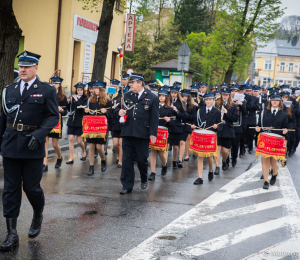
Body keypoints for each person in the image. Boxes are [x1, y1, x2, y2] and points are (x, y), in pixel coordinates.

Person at [0, 51, 59, 251]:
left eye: (27, 66)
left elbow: (52, 116)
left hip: (32, 145)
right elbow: (3, 118)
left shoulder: (46, 90)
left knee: (31, 188)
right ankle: (12, 234)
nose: (22, 69)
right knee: (10, 189)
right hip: (10, 144)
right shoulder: (9, 89)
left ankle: (38, 213)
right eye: (21, 66)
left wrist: (40, 135)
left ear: (35, 68)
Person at [115, 73, 159, 194]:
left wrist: (153, 133)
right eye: (130, 83)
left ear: (140, 83)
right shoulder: (126, 95)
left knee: (141, 159)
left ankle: (144, 177)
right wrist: (119, 112)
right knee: (127, 159)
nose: (130, 85)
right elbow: (116, 108)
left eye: (132, 83)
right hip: (128, 132)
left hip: (142, 133)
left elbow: (154, 118)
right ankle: (127, 185)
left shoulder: (152, 97)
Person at [256, 93, 288, 189]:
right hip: (265, 139)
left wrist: (285, 130)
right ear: (270, 101)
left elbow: (285, 128)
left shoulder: (284, 114)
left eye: (277, 100)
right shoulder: (263, 112)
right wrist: (258, 128)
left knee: (274, 163)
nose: (275, 102)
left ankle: (274, 174)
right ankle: (266, 181)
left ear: (280, 102)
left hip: (276, 141)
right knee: (265, 162)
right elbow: (259, 125)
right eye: (273, 100)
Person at [192, 92, 222, 184]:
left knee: (209, 156)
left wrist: (217, 127)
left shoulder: (217, 112)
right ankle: (200, 178)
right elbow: (196, 123)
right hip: (201, 135)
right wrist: (194, 126)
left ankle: (210, 170)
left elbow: (220, 126)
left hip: (211, 136)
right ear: (204, 101)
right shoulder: (200, 110)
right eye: (207, 100)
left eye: (210, 100)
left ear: (213, 101)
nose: (208, 101)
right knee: (200, 156)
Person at [84, 81, 112, 176]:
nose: (96, 90)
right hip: (92, 125)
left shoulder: (108, 101)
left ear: (102, 90)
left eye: (98, 88)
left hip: (101, 126)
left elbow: (111, 114)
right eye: (95, 88)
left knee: (99, 147)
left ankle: (103, 160)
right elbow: (88, 114)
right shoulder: (91, 100)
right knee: (91, 146)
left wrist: (106, 112)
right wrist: (86, 111)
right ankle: (91, 167)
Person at [43, 76, 68, 171]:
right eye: (53, 83)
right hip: (47, 120)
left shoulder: (63, 97)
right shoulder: (47, 94)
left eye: (56, 83)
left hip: (57, 122)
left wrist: (61, 110)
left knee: (54, 144)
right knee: (45, 143)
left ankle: (59, 157)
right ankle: (44, 164)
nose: (54, 85)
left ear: (59, 85)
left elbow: (66, 111)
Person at [148, 89, 173, 180]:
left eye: (163, 96)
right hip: (154, 130)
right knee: (153, 151)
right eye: (160, 95)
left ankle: (164, 164)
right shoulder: (154, 106)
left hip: (163, 130)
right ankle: (153, 172)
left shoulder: (169, 108)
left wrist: (169, 120)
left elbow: (173, 121)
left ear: (166, 97)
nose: (161, 97)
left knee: (161, 152)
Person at [215, 88, 239, 174]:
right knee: (217, 149)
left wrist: (226, 112)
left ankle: (224, 161)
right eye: (223, 95)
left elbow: (235, 118)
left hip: (227, 130)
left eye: (226, 95)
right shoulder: (217, 104)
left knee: (225, 151)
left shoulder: (233, 105)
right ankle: (217, 167)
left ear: (229, 96)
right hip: (218, 130)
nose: (224, 96)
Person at [66, 82, 88, 164]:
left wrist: (76, 100)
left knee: (79, 141)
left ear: (83, 90)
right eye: (78, 90)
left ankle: (84, 151)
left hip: (80, 120)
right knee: (71, 139)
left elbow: (82, 108)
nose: (79, 92)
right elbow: (69, 109)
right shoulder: (72, 98)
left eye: (81, 90)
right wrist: (68, 102)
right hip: (72, 120)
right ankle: (71, 158)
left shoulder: (86, 99)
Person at [168, 83, 185, 169]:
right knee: (166, 144)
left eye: (175, 93)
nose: (173, 94)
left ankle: (175, 160)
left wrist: (177, 111)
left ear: (177, 93)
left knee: (175, 146)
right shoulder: (168, 101)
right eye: (172, 93)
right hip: (168, 125)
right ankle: (165, 163)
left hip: (177, 125)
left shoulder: (181, 102)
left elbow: (184, 115)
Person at [178, 89, 196, 164]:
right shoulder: (179, 105)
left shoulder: (192, 106)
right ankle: (180, 156)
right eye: (183, 96)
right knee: (180, 141)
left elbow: (194, 116)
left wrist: (186, 116)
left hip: (188, 124)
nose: (184, 98)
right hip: (180, 124)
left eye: (186, 96)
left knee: (186, 140)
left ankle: (186, 156)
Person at [230, 85, 247, 166]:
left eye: (235, 91)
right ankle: (226, 160)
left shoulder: (242, 101)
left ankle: (234, 158)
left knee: (235, 144)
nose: (233, 93)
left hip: (237, 125)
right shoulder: (227, 100)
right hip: (228, 125)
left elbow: (245, 113)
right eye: (232, 91)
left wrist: (241, 105)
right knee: (226, 145)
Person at [110, 79, 123, 168]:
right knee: (115, 144)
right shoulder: (109, 95)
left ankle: (121, 161)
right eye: (112, 85)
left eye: (115, 85)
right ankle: (119, 155)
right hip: (114, 121)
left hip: (121, 122)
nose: (113, 86)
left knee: (121, 143)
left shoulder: (121, 95)